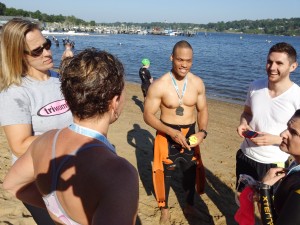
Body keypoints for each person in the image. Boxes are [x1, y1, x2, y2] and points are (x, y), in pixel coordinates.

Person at [3, 48, 139, 225]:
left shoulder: (46, 140)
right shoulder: (119, 173)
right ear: (114, 101)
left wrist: (58, 212)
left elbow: (13, 185)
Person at [0, 18, 73, 224]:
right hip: (38, 182)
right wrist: (71, 138)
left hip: (68, 172)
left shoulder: (59, 80)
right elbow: (19, 146)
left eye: (47, 44)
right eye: (37, 51)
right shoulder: (15, 93)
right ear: (19, 55)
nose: (47, 53)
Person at [143, 40, 208, 224]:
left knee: (190, 172)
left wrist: (203, 131)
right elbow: (148, 115)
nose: (184, 64)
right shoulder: (160, 85)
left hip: (191, 133)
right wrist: (171, 132)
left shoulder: (197, 83)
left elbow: (203, 109)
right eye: (180, 59)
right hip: (166, 134)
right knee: (164, 174)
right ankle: (164, 210)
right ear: (172, 58)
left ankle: (189, 206)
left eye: (188, 60)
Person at [235, 42, 300, 216]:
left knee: (268, 209)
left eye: (279, 63)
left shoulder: (297, 97)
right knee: (244, 201)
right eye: (269, 62)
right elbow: (247, 113)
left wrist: (274, 139)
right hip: (246, 156)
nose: (272, 67)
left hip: (275, 163)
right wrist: (243, 123)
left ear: (293, 66)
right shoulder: (255, 86)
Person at [257, 109, 300, 225]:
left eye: (294, 133)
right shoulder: (295, 165)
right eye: (287, 128)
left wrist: (264, 189)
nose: (282, 134)